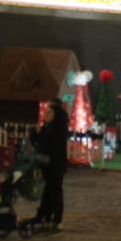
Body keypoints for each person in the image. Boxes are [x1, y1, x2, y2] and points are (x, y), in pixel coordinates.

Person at [34, 98, 69, 232]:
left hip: (55, 165)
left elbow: (50, 144)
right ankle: (45, 217)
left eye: (49, 113)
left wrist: (40, 135)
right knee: (47, 191)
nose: (45, 115)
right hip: (46, 164)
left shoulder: (58, 128)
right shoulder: (48, 126)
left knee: (55, 191)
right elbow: (39, 142)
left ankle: (56, 219)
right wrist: (35, 134)